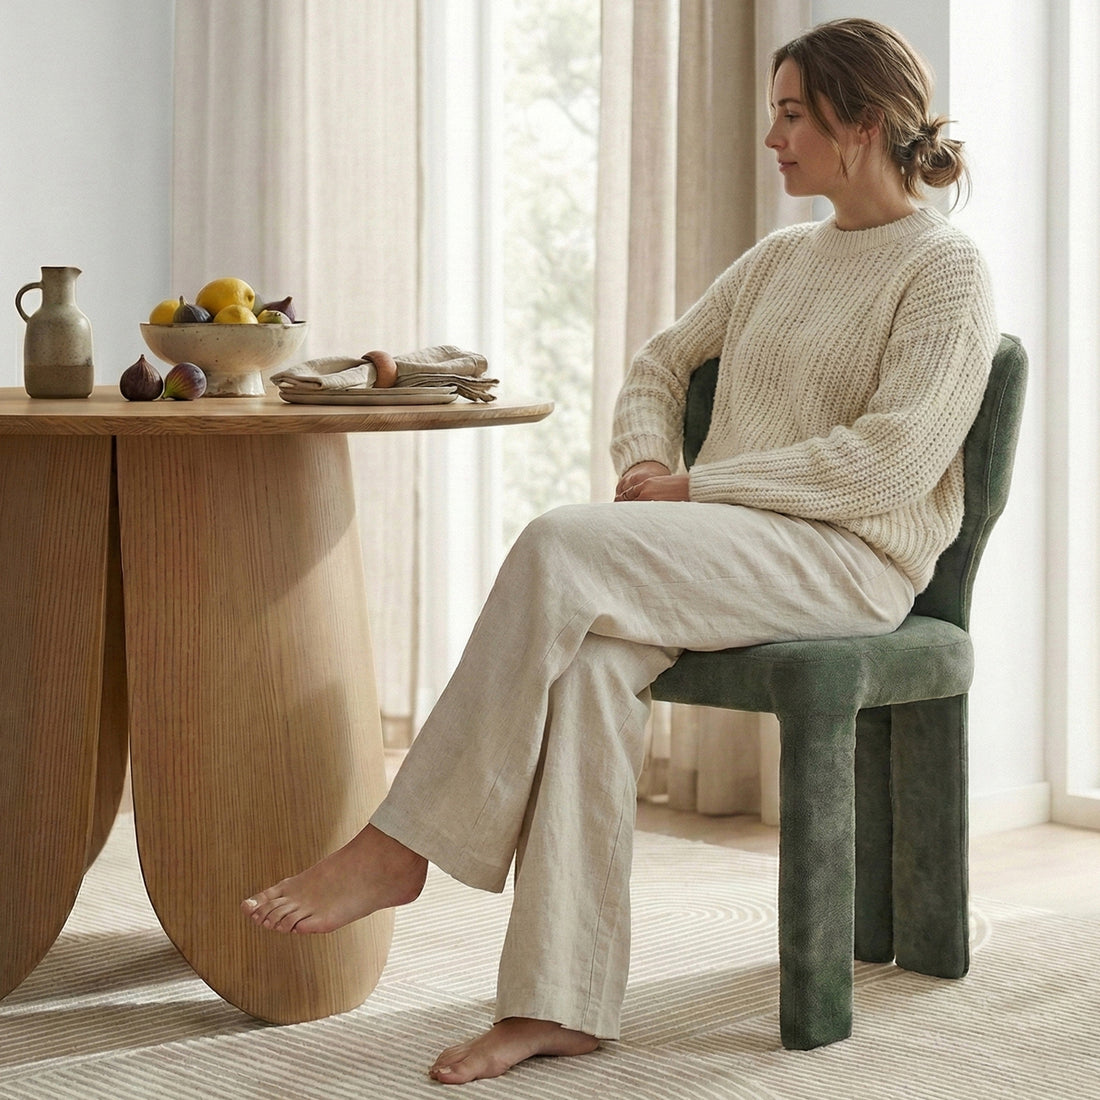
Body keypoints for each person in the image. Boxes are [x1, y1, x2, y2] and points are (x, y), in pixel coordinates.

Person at [241, 17, 998, 1086]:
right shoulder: (783, 256)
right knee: (590, 661)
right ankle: (560, 1001)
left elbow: (885, 462)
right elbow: (659, 361)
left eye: (790, 115)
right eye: (774, 113)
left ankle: (402, 842)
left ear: (858, 123)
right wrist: (651, 461)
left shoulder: (946, 271)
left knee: (559, 545)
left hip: (848, 563)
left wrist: (696, 483)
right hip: (729, 542)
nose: (772, 137)